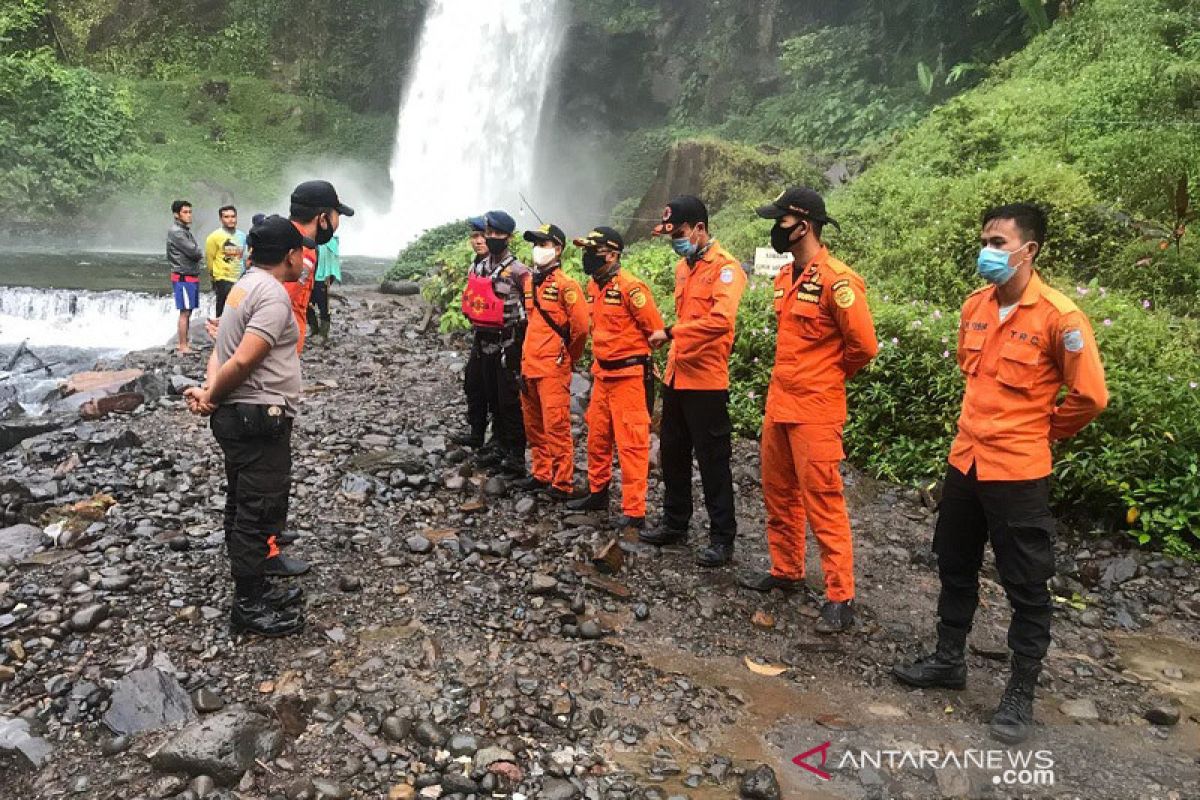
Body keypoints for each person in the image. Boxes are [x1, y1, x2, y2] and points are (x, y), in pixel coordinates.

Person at [893, 203, 1108, 744]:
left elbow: (1090, 396)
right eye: (984, 239)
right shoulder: (976, 307)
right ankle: (949, 660)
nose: (987, 250)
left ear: (1028, 250)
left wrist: (1044, 430)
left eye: (998, 241)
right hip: (965, 460)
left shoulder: (1061, 319)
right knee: (954, 562)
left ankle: (1020, 692)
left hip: (1018, 472)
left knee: (1026, 584)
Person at [738, 187, 878, 634]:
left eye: (780, 220)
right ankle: (787, 570)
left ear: (804, 224)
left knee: (823, 500)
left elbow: (864, 347)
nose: (775, 228)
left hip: (816, 410)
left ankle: (840, 595)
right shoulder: (785, 277)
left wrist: (827, 378)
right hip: (779, 404)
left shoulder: (839, 281)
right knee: (778, 492)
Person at [183, 215, 317, 637]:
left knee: (244, 500)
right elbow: (242, 360)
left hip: (244, 416)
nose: (304, 260)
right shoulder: (274, 297)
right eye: (301, 253)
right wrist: (213, 396)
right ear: (291, 255)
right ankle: (249, 603)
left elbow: (222, 349)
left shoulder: (243, 285)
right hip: (255, 416)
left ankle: (255, 585)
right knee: (256, 508)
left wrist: (210, 390)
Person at [639, 196, 747, 567]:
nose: (676, 242)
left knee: (713, 460)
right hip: (677, 375)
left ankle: (722, 538)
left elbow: (720, 321)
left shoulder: (726, 269)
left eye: (681, 234)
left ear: (700, 228)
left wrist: (671, 331)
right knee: (673, 453)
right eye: (671, 236)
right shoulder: (684, 268)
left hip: (706, 381)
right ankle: (675, 522)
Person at [566, 227, 664, 529]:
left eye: (592, 251)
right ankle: (598, 491)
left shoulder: (631, 288)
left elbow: (656, 331)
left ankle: (634, 511)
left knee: (632, 445)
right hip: (602, 375)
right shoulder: (595, 286)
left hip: (630, 377)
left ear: (612, 254)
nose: (586, 257)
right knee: (597, 438)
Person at [515, 223, 589, 500]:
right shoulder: (529, 282)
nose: (538, 249)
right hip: (529, 363)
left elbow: (581, 328)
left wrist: (567, 357)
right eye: (536, 243)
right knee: (533, 425)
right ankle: (541, 472)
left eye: (544, 244)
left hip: (552, 367)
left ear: (558, 249)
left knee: (556, 426)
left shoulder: (566, 286)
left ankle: (562, 482)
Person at [458, 210, 530, 474]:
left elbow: (531, 310)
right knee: (484, 391)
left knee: (508, 400)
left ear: (509, 237)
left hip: (507, 341)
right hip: (482, 338)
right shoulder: (479, 266)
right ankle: (496, 444)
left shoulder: (520, 272)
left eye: (497, 234)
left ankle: (515, 455)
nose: (491, 238)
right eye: (488, 233)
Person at [286, 180, 354, 353]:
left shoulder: (285, 238)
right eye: (337, 214)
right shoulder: (302, 253)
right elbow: (275, 307)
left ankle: (321, 331)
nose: (338, 223)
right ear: (323, 219)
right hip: (277, 358)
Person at [452, 216, 495, 447]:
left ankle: (501, 445)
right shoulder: (475, 265)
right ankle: (477, 433)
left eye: (482, 236)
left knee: (498, 393)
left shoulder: (501, 266)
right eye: (474, 237)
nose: (478, 241)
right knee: (473, 384)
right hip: (480, 334)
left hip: (500, 339)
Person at [167, 200, 204, 354]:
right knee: (185, 312)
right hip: (183, 276)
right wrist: (198, 252)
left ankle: (184, 343)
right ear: (176, 214)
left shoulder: (183, 231)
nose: (189, 215)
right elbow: (194, 252)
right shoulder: (177, 232)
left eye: (190, 212)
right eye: (185, 212)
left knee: (188, 311)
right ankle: (183, 345)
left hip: (188, 275)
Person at [205, 205, 248, 317]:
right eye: (226, 217)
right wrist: (212, 278)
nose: (230, 219)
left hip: (239, 279)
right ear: (221, 219)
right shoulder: (214, 237)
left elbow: (242, 257)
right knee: (222, 313)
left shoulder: (242, 236)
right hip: (223, 278)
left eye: (233, 216)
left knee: (238, 312)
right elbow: (210, 259)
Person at [312, 231, 341, 343]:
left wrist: (330, 276)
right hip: (311, 278)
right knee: (308, 304)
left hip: (323, 278)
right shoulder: (313, 241)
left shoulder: (331, 243)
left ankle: (323, 333)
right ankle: (314, 329)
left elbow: (332, 262)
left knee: (324, 305)